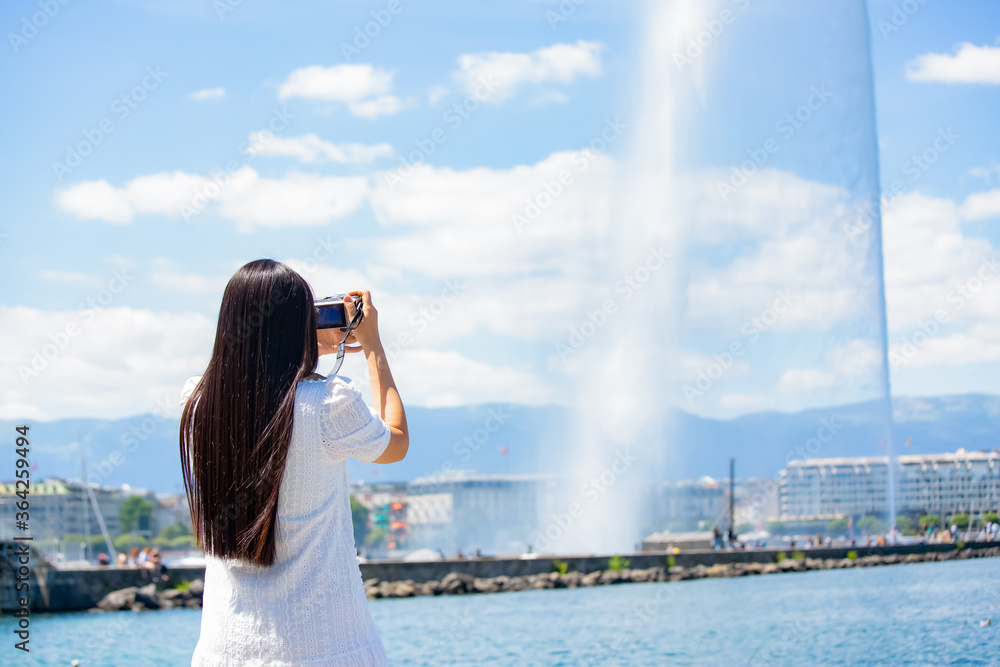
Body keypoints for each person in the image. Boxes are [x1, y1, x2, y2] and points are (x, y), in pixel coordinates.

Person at [180, 260, 408, 667]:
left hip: (224, 651)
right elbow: (396, 443)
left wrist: (298, 347)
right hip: (326, 648)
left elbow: (251, 380)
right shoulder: (328, 406)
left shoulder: (197, 406)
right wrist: (372, 345)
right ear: (300, 326)